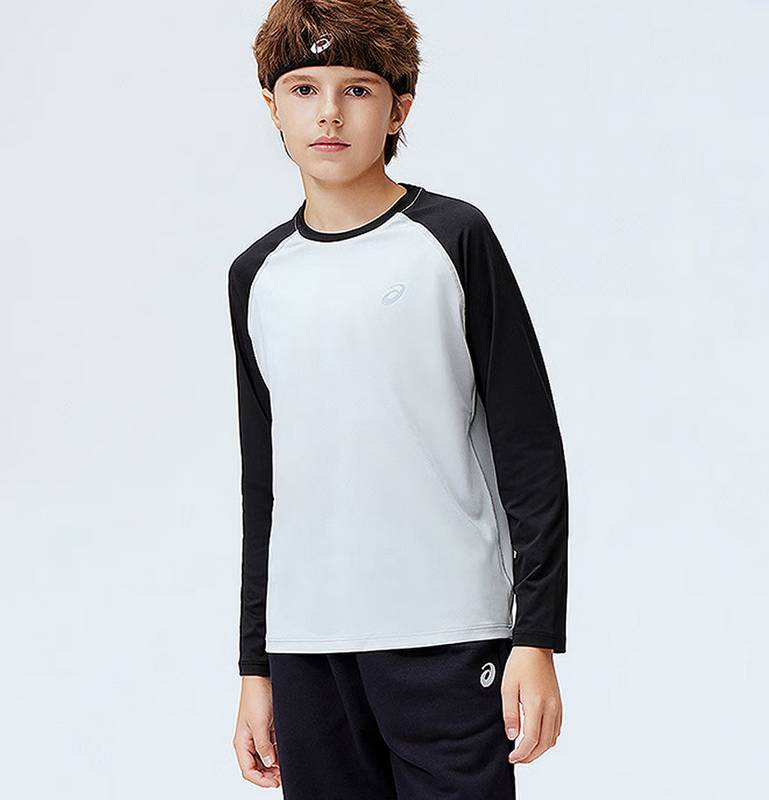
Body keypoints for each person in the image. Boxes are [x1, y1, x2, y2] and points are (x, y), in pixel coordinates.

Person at [227, 1, 569, 796]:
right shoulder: (257, 276)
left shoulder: (452, 239)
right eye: (304, 89)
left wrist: (536, 635)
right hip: (308, 648)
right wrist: (255, 666)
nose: (329, 113)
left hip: (448, 632)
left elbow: (529, 450)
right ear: (273, 106)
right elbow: (264, 483)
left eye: (357, 89)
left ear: (398, 110)